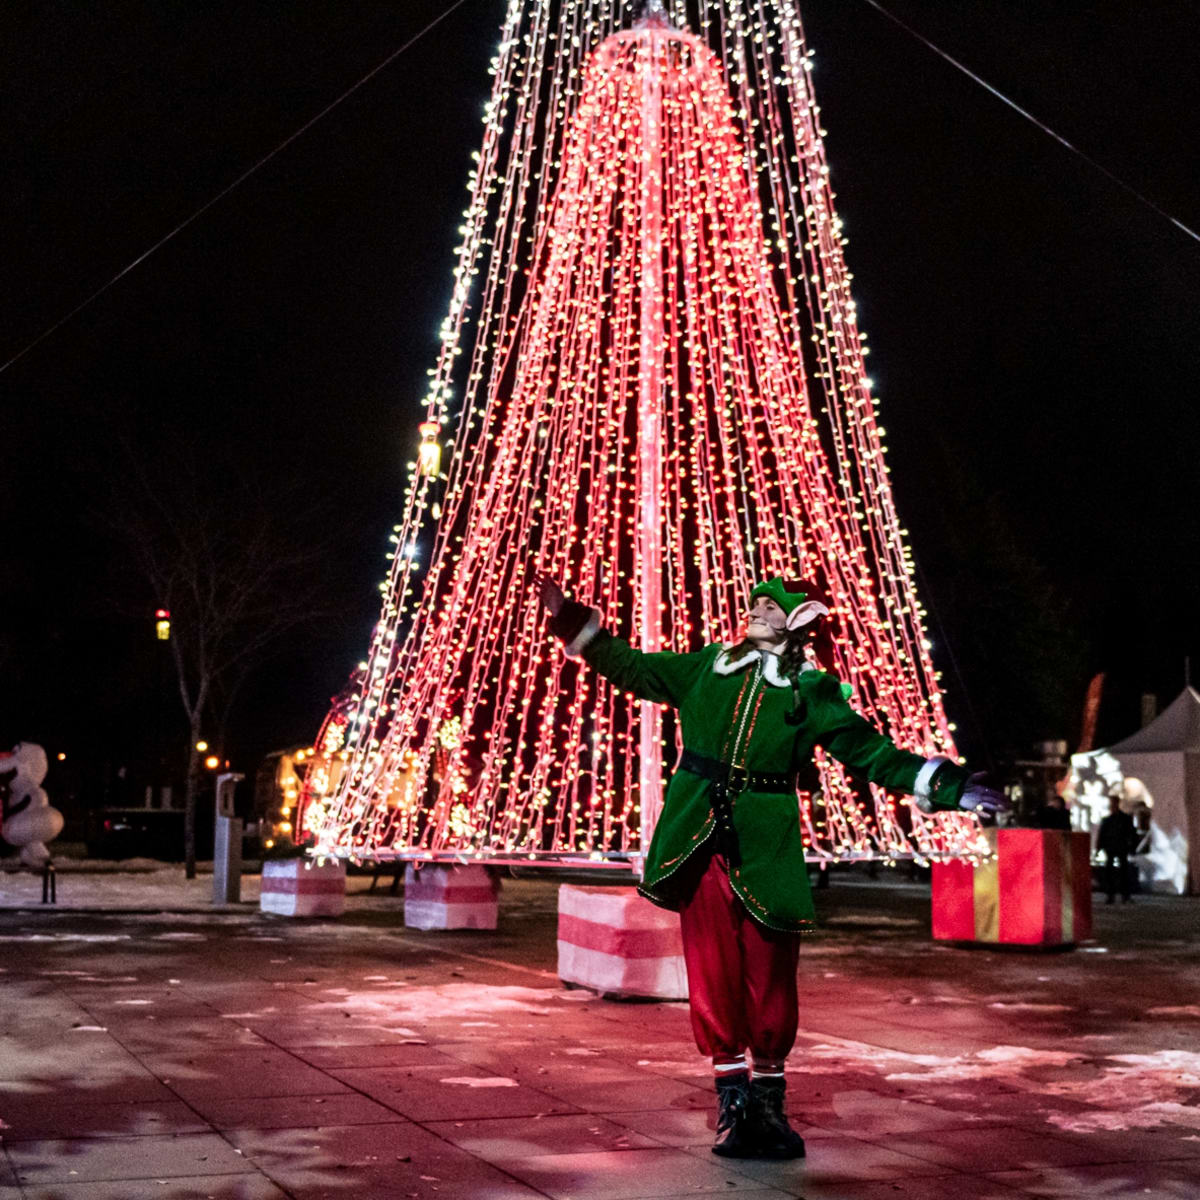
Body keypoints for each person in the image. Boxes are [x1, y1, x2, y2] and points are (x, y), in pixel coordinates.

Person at [534, 571, 1007, 1160]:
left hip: (767, 844)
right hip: (698, 840)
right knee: (711, 971)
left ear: (800, 621)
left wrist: (950, 787)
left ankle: (769, 1106)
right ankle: (732, 1107)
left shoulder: (811, 692)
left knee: (772, 974)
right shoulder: (708, 666)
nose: (756, 610)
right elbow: (631, 666)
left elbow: (868, 751)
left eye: (771, 606)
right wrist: (570, 620)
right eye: (755, 602)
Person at [1097, 793, 1136, 903]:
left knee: (1122, 872)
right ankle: (1113, 895)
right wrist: (1100, 847)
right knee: (1111, 872)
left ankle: (1123, 895)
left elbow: (1131, 834)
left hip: (1120, 847)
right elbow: (1102, 835)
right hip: (1112, 847)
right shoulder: (1109, 820)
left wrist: (1132, 847)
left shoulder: (1123, 819)